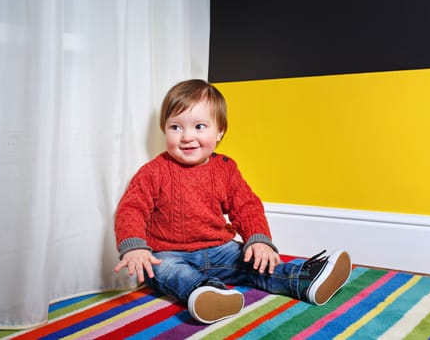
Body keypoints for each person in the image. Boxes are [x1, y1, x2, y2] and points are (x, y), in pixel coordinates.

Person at [113, 79, 351, 324]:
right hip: (170, 252)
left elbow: (246, 205)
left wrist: (258, 240)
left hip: (220, 250)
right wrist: (136, 247)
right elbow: (132, 209)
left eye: (199, 126)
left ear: (219, 132)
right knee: (165, 270)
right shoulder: (153, 172)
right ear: (164, 129)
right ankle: (206, 292)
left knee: (255, 263)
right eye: (176, 127)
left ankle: (303, 280)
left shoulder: (225, 169)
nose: (186, 137)